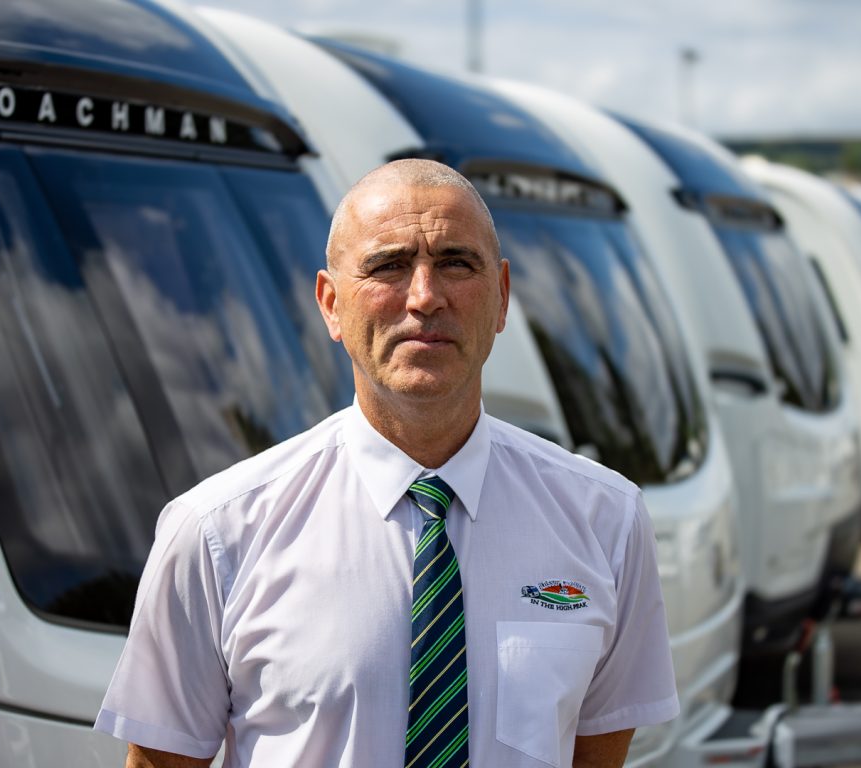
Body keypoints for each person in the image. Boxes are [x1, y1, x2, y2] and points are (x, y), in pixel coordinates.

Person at [95, 159, 679, 768]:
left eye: (456, 263)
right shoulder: (216, 532)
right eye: (388, 266)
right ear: (331, 304)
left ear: (502, 297)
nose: (425, 297)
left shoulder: (605, 521)